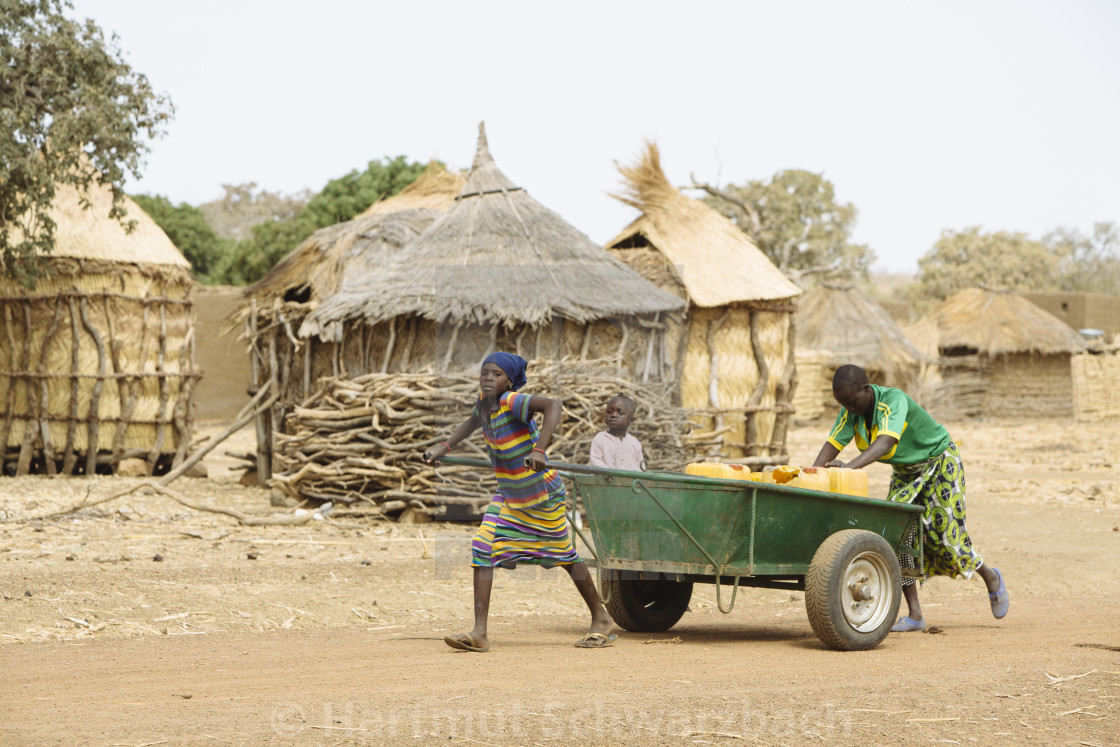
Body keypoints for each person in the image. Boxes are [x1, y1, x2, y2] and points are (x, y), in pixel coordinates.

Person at [422, 352, 616, 651]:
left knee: (563, 555)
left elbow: (553, 405)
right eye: (484, 372)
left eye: (496, 374)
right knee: (482, 546)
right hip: (510, 494)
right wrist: (446, 445)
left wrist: (540, 450)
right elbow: (472, 421)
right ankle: (480, 633)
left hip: (542, 493)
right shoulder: (484, 403)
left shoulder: (511, 400)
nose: (488, 378)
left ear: (509, 380)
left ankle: (601, 618)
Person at [811, 364, 1009, 632]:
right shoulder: (850, 413)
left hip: (939, 461)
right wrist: (809, 476)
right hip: (906, 472)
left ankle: (990, 576)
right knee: (897, 538)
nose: (849, 408)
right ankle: (915, 615)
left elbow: (885, 443)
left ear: (866, 390)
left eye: (853, 401)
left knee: (946, 537)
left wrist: (848, 469)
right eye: (843, 404)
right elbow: (830, 448)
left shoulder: (893, 401)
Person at [589, 394, 644, 472]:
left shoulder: (635, 443)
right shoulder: (600, 438)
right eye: (609, 412)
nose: (613, 415)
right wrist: (607, 472)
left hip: (630, 483)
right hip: (605, 483)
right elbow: (595, 462)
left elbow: (641, 467)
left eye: (620, 412)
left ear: (631, 420)